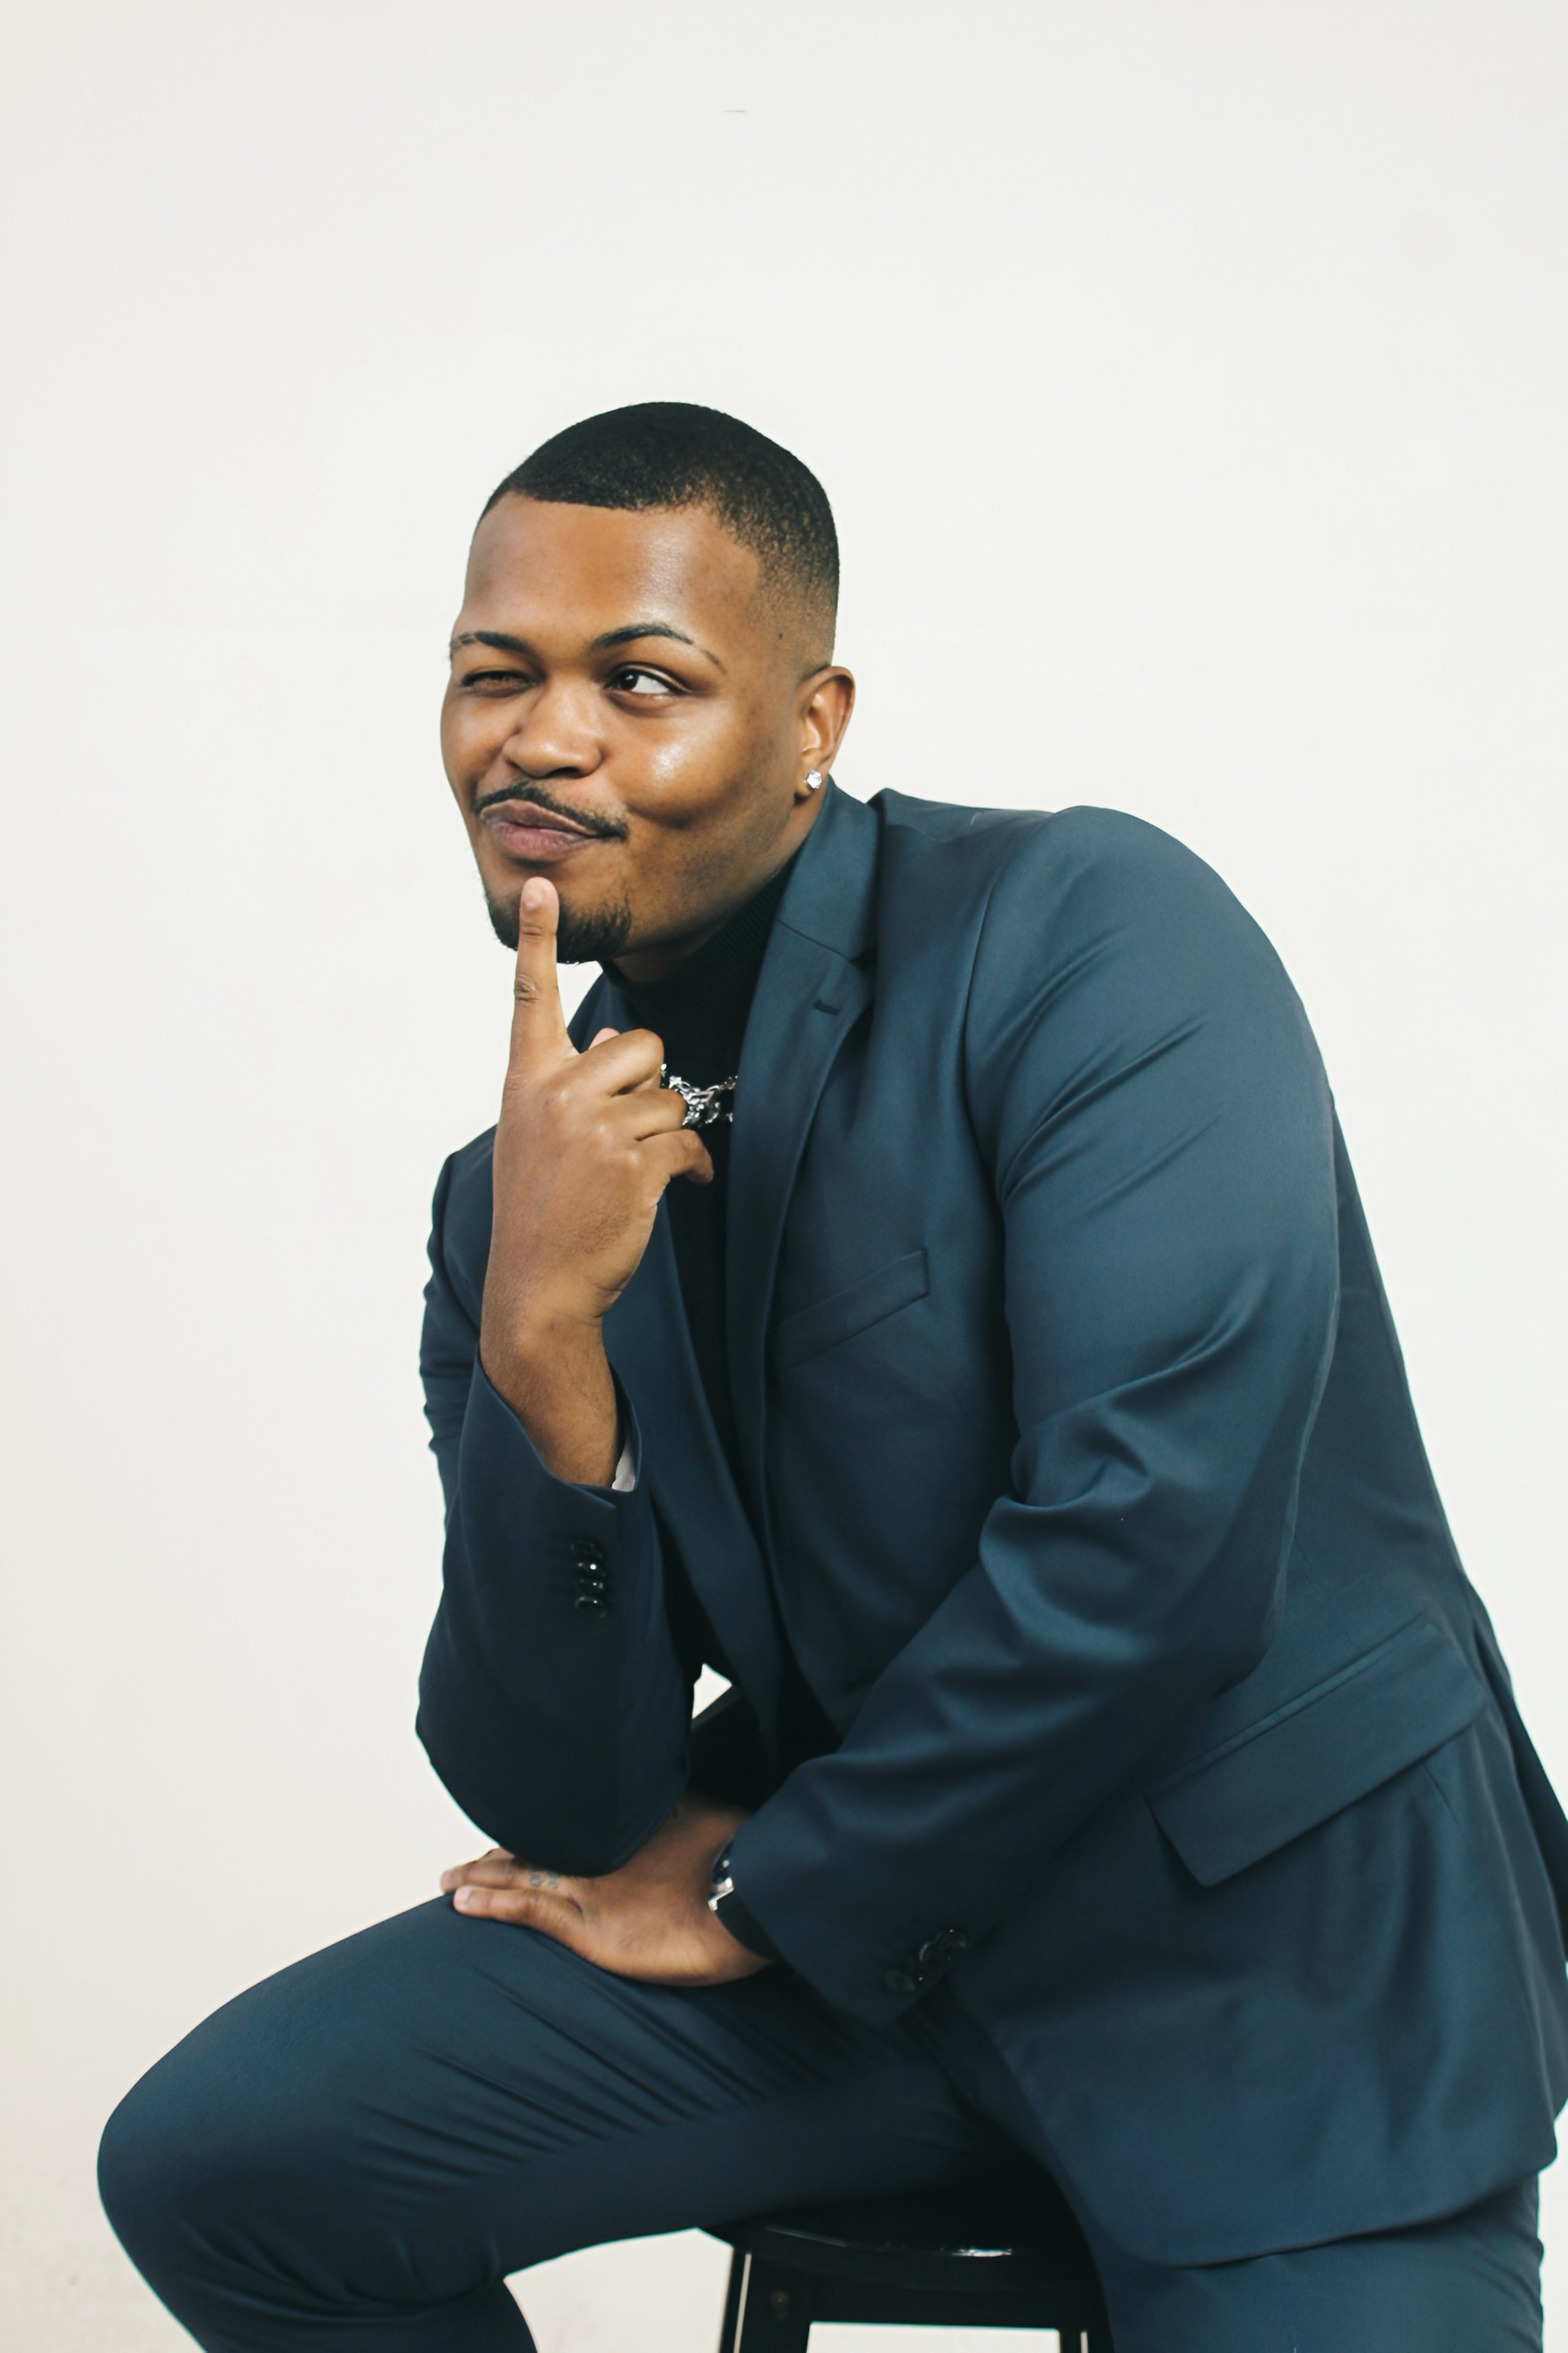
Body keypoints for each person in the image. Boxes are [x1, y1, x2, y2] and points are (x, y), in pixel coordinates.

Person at [100, 403, 1568, 2352]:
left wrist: (770, 1889)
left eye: (640, 681)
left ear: (811, 725)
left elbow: (1153, 1537)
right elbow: (559, 1794)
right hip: (861, 1982)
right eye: (493, 675)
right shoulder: (512, 1200)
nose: (541, 739)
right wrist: (538, 1345)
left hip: (1272, 1980)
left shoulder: (1089, 935)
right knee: (228, 2166)